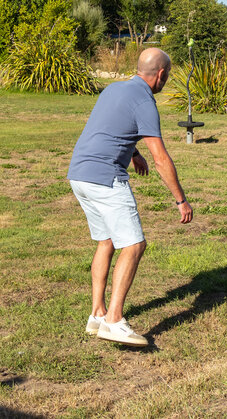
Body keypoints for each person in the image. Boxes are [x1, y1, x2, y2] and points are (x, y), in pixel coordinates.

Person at [67, 47, 193, 348]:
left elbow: (109, 127)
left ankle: (97, 314)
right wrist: (180, 199)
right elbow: (161, 158)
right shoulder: (145, 101)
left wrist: (132, 153)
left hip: (79, 175)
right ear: (160, 75)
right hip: (105, 178)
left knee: (107, 241)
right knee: (134, 244)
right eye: (168, 75)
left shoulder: (114, 89)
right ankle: (113, 321)